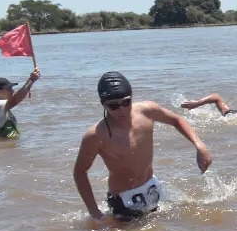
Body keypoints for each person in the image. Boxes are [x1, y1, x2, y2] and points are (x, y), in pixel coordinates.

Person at [73, 72, 214, 221]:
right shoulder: (96, 135)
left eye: (126, 102)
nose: (121, 110)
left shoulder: (148, 111)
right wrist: (95, 214)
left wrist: (200, 146)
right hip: (123, 199)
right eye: (113, 106)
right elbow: (80, 172)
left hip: (152, 185)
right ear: (103, 104)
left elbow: (177, 121)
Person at [0, 69, 41, 138]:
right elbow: (16, 99)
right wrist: (31, 80)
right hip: (6, 147)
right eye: (9, 88)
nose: (12, 91)